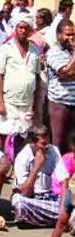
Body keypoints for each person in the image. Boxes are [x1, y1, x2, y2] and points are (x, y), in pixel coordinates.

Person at [0, 12, 41, 152]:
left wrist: (36, 105)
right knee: (2, 135)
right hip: (8, 101)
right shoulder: (6, 49)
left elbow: (37, 78)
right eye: (20, 27)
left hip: (27, 103)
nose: (23, 31)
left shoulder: (35, 50)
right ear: (15, 28)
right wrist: (0, 103)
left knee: (23, 136)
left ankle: (17, 168)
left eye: (26, 28)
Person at [11, 125, 69, 227]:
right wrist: (36, 167)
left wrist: (63, 210)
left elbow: (64, 181)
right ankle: (49, 220)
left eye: (48, 142)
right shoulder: (22, 157)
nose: (47, 146)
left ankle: (43, 220)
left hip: (48, 198)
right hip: (29, 199)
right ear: (33, 143)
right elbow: (25, 193)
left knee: (69, 204)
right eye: (43, 144)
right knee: (19, 203)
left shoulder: (53, 150)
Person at [46, 18, 75, 151]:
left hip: (73, 103)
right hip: (59, 104)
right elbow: (64, 72)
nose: (71, 38)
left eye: (73, 34)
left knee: (71, 143)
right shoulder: (53, 52)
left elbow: (68, 74)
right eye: (67, 34)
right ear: (58, 35)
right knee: (58, 141)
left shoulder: (71, 52)